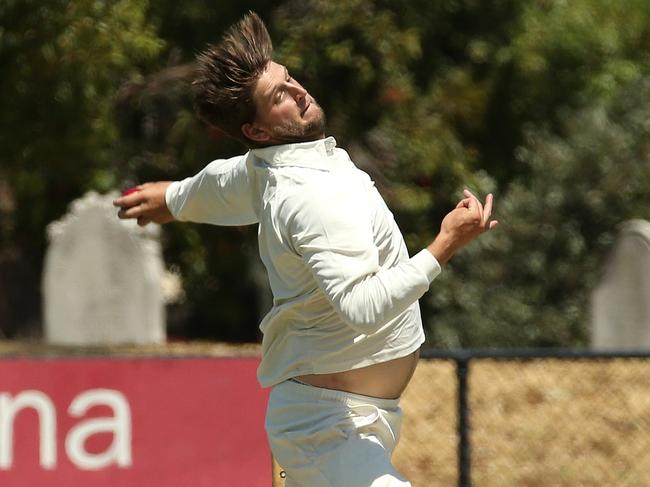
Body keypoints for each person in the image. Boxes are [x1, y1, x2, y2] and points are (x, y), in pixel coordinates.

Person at [113, 12, 497, 487]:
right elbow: (362, 305)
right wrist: (443, 245)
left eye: (288, 78)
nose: (298, 91)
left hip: (355, 418)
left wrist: (172, 198)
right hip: (325, 431)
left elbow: (223, 184)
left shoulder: (278, 166)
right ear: (256, 131)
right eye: (279, 96)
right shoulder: (311, 196)